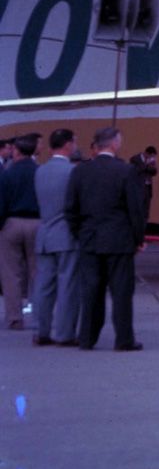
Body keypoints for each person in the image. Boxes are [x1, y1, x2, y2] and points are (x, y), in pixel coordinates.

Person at [66, 127, 148, 351]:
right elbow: (135, 209)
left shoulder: (81, 171)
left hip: (90, 239)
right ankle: (123, 339)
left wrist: (80, 233)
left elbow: (70, 208)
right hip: (119, 240)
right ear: (114, 144)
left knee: (91, 290)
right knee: (121, 291)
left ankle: (87, 337)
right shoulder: (126, 171)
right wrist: (138, 237)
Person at [31, 130, 79, 346]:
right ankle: (64, 333)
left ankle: (42, 330)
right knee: (67, 284)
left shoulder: (40, 171)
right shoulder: (72, 171)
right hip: (66, 235)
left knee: (43, 286)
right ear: (68, 145)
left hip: (45, 234)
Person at [0, 130, 41, 328]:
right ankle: (41, 316)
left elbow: (1, 202)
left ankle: (15, 317)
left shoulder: (8, 173)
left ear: (16, 151)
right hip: (36, 223)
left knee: (11, 273)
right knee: (37, 272)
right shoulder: (39, 171)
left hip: (12, 223)